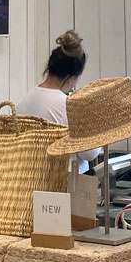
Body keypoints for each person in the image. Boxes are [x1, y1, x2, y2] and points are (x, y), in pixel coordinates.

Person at [17, 30, 101, 165]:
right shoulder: (67, 106)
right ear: (71, 77)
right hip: (65, 180)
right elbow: (90, 153)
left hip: (31, 179)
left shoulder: (26, 100)